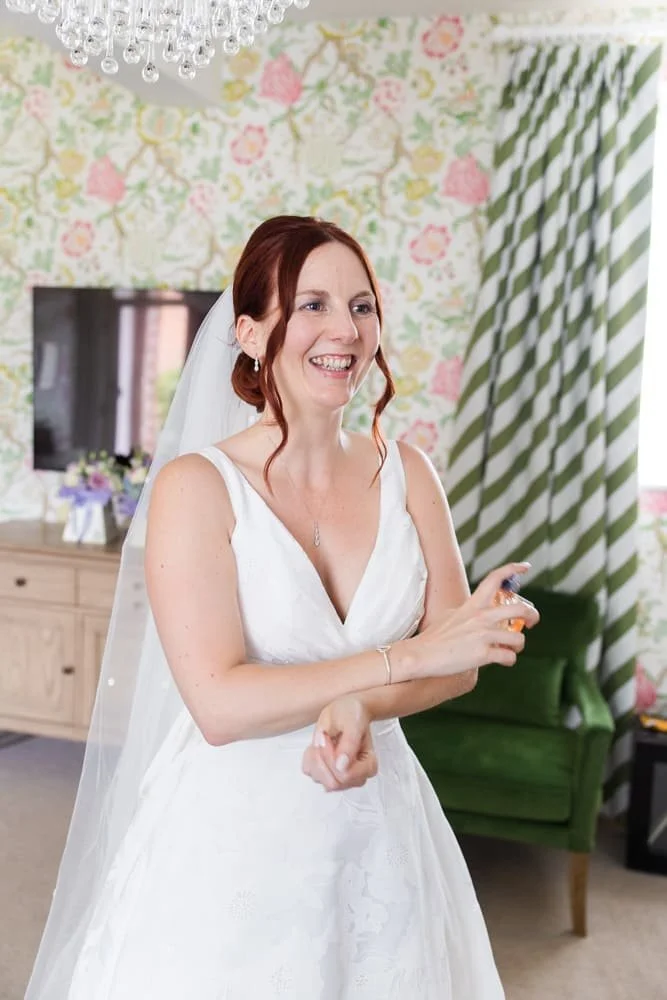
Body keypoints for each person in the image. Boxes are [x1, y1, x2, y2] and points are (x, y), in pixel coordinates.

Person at [26, 215, 539, 1000]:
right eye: (312, 305)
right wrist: (404, 659)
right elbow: (219, 703)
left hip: (380, 814)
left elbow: (458, 665)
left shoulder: (411, 474)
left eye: (362, 306)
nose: (346, 330)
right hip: (230, 831)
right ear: (249, 330)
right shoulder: (195, 488)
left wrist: (378, 692)